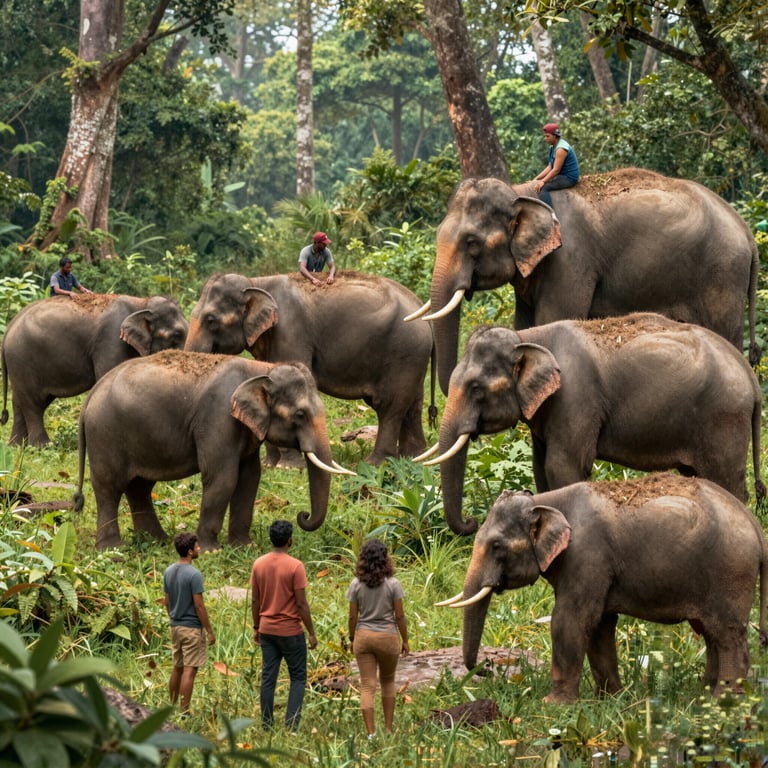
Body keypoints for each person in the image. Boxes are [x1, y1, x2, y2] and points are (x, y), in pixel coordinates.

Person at [250, 519, 317, 731]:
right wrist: (312, 632)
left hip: (267, 629)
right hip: (290, 631)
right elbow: (301, 603)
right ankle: (292, 725)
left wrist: (256, 627)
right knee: (297, 677)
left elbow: (255, 601)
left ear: (272, 539)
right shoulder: (296, 566)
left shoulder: (259, 564)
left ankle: (267, 724)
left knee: (269, 677)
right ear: (290, 540)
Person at [347, 539, 409, 738]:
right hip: (387, 637)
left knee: (367, 685)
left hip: (363, 637)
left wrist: (351, 637)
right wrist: (405, 640)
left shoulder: (356, 584)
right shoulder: (393, 584)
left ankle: (371, 733)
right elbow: (399, 615)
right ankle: (389, 729)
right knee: (388, 681)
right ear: (386, 558)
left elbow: (352, 616)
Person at [163, 532, 216, 715]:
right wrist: (209, 630)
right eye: (197, 546)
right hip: (191, 628)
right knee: (189, 671)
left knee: (177, 668)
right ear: (189, 551)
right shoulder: (194, 574)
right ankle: (184, 712)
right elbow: (199, 605)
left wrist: (172, 618)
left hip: (175, 626)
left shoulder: (168, 571)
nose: (199, 548)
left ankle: (171, 706)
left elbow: (167, 600)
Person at [532, 123, 580, 208]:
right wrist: (536, 179)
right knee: (538, 183)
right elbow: (550, 166)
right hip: (561, 175)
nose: (545, 139)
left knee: (543, 188)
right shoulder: (552, 147)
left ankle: (551, 213)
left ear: (555, 136)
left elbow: (556, 170)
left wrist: (543, 182)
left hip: (568, 177)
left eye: (547, 136)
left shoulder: (561, 149)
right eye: (544, 136)